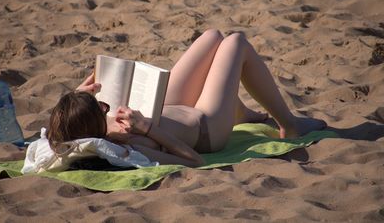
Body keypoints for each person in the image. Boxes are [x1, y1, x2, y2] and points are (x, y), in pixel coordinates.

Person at [47, 30, 326, 167]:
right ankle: (288, 125)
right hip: (206, 127)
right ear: (93, 125)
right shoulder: (127, 146)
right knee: (235, 43)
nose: (106, 106)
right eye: (102, 107)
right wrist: (146, 128)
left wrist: (76, 95)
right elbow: (193, 161)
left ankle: (238, 113)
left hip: (169, 109)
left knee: (212, 36)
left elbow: (58, 132)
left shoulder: (81, 128)